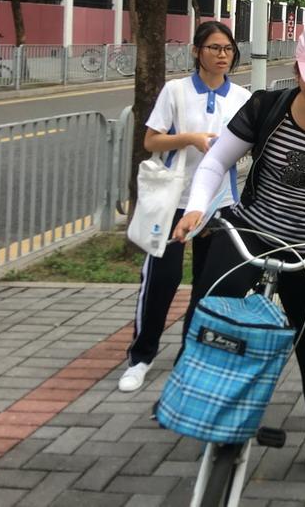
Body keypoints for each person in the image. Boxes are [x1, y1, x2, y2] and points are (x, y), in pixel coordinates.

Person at [172, 26, 305, 490]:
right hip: (251, 237)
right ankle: (208, 407)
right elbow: (216, 162)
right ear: (297, 72)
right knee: (217, 323)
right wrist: (196, 207)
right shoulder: (265, 108)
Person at [118, 21, 250, 394]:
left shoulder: (242, 98)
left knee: (208, 286)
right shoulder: (176, 91)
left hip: (220, 203)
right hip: (174, 202)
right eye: (214, 48)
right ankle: (141, 357)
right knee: (161, 280)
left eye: (228, 49)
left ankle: (189, 357)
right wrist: (190, 139)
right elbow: (151, 141)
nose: (222, 55)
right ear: (196, 51)